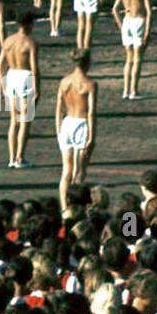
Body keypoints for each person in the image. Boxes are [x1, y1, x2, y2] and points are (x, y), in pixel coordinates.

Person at [55, 49, 96, 213]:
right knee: (80, 171)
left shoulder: (64, 82)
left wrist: (58, 129)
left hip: (67, 123)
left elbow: (59, 108)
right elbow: (91, 112)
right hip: (81, 123)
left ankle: (65, 206)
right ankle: (76, 206)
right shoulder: (89, 84)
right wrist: (92, 136)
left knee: (66, 170)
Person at [0, 12, 39, 169]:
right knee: (25, 120)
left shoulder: (8, 40)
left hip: (11, 76)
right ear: (29, 24)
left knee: (14, 121)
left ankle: (11, 157)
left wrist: (2, 84)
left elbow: (1, 65)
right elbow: (35, 69)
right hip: (25, 76)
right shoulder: (30, 43)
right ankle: (20, 157)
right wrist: (37, 88)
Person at [112, 0, 150, 101]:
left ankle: (125, 90)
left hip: (127, 21)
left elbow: (115, 9)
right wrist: (147, 30)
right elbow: (149, 12)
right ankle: (133, 90)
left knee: (128, 59)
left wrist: (121, 24)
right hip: (138, 21)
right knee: (137, 58)